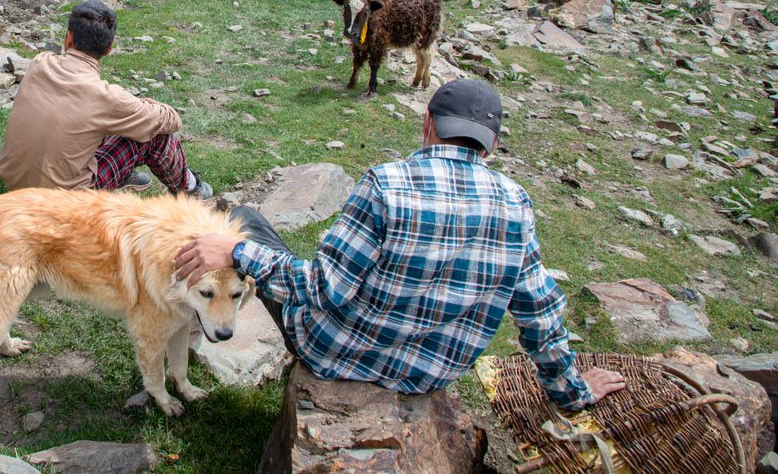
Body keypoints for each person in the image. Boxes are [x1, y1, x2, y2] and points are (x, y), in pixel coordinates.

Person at [174, 79, 626, 411]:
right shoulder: (517, 203)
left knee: (247, 222)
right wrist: (572, 393)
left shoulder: (388, 184)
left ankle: (191, 319)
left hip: (333, 354)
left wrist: (235, 252)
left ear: (427, 122)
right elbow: (538, 315)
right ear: (490, 144)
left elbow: (322, 288)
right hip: (429, 376)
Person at [0, 0, 212, 199]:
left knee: (96, 124)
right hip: (65, 202)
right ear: (109, 49)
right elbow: (172, 120)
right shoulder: (108, 98)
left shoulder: (40, 62)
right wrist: (146, 104)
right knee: (156, 136)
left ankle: (124, 174)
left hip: (14, 187)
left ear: (68, 38)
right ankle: (192, 192)